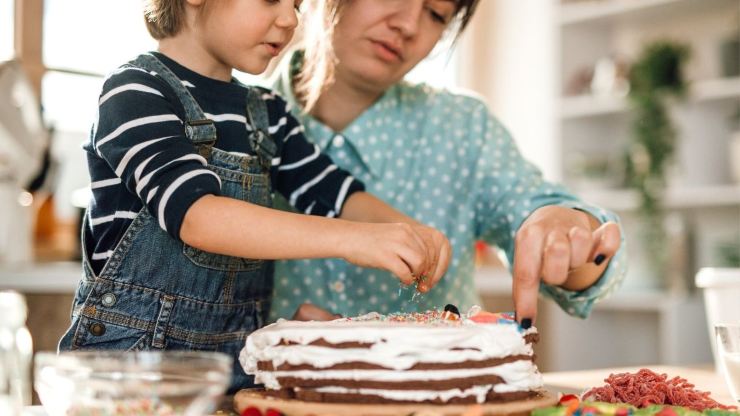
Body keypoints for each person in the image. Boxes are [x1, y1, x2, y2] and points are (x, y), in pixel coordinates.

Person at [57, 0, 451, 391]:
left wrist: (411, 232)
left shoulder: (268, 115)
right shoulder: (135, 92)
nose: (290, 20)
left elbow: (336, 194)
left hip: (236, 369)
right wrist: (354, 239)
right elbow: (198, 217)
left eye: (297, 5)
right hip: (127, 372)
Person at [270, 0, 627, 325]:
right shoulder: (230, 124)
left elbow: (541, 218)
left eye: (437, 13)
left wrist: (570, 238)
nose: (409, 25)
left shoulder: (463, 127)